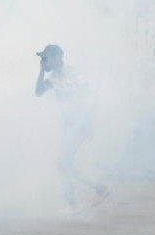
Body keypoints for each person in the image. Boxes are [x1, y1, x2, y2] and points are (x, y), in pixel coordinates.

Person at [35, 44, 110, 212]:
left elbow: (91, 98)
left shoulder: (73, 74)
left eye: (45, 58)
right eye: (42, 59)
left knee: (62, 163)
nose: (43, 62)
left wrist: (89, 124)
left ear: (56, 58)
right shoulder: (54, 77)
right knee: (65, 164)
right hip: (71, 126)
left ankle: (75, 203)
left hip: (80, 124)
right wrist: (41, 71)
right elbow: (38, 92)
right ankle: (98, 189)